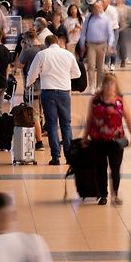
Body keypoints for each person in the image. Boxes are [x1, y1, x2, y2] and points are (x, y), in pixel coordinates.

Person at [81, 74, 131, 206]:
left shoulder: (120, 101)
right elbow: (89, 120)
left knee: (115, 169)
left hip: (115, 141)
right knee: (100, 168)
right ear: (103, 85)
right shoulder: (95, 101)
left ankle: (115, 194)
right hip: (98, 140)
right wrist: (84, 137)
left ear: (116, 86)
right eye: (107, 84)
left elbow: (128, 119)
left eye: (112, 84)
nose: (109, 87)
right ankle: (103, 195)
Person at [26, 35, 81, 165]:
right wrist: (65, 76)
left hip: (48, 93)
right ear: (58, 42)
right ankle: (69, 156)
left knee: (51, 125)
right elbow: (77, 74)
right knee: (66, 125)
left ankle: (55, 157)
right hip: (64, 93)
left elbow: (32, 73)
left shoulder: (42, 54)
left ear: (46, 44)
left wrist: (29, 83)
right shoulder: (67, 54)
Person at [14, 29, 45, 151]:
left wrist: (22, 48)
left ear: (26, 40)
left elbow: (18, 64)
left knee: (34, 114)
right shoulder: (44, 47)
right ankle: (44, 133)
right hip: (46, 84)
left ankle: (39, 143)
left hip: (33, 87)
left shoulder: (27, 50)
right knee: (44, 112)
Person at [79, 0, 115, 93]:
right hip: (91, 44)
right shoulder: (89, 17)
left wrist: (110, 45)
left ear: (102, 8)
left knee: (100, 66)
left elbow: (110, 33)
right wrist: (82, 44)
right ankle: (92, 86)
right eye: (95, 7)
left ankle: (99, 86)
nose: (96, 9)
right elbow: (83, 32)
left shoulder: (106, 19)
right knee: (91, 65)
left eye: (98, 7)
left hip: (102, 44)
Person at [115, 0, 131, 68]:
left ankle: (124, 58)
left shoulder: (127, 8)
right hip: (115, 28)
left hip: (124, 28)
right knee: (115, 44)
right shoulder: (114, 9)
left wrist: (126, 25)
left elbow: (130, 19)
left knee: (123, 44)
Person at [102, 0, 120, 71]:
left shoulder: (113, 10)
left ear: (107, 2)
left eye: (104, 2)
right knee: (105, 47)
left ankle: (112, 63)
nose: (102, 3)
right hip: (104, 31)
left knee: (112, 47)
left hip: (114, 30)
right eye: (102, 2)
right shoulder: (100, 10)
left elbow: (114, 21)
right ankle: (106, 63)